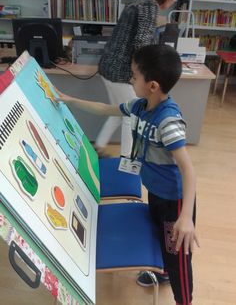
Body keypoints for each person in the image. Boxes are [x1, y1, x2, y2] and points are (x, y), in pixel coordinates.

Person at [56, 44, 199, 305]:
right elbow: (105, 109)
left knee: (177, 255)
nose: (130, 80)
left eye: (134, 76)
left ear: (152, 85)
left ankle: (184, 300)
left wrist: (186, 217)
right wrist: (71, 100)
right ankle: (164, 272)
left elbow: (188, 170)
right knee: (160, 238)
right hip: (155, 191)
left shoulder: (167, 122)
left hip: (174, 203)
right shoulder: (140, 106)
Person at [95, 0, 178, 157]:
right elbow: (141, 43)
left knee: (118, 112)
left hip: (108, 66)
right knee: (132, 116)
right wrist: (146, 72)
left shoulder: (140, 0)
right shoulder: (149, 6)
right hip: (121, 71)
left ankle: (98, 146)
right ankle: (127, 160)